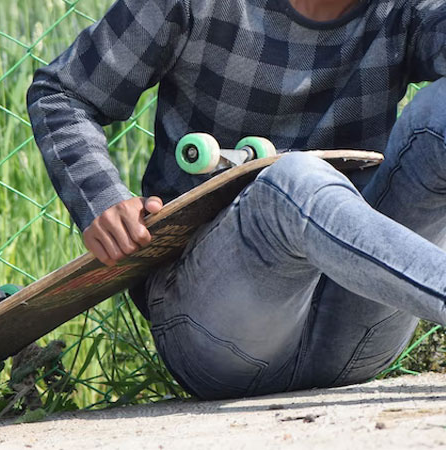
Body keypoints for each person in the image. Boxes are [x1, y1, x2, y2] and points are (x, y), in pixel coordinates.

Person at [26, 0, 446, 399]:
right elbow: (62, 93)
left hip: (357, 331)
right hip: (218, 335)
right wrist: (100, 197)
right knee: (294, 179)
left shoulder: (408, 10)